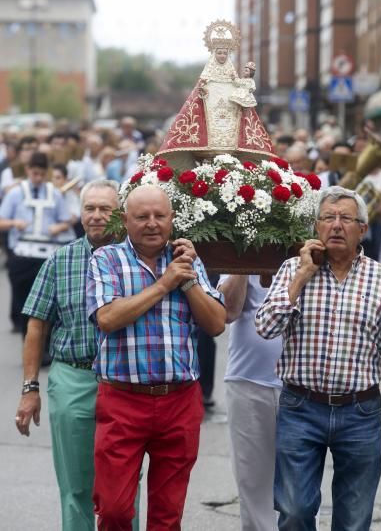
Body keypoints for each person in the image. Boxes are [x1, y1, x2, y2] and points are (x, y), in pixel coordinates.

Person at [256, 186, 381, 531]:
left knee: (353, 519)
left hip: (359, 413)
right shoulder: (293, 269)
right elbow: (265, 326)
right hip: (300, 407)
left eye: (345, 219)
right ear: (316, 228)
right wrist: (303, 276)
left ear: (362, 229)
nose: (336, 225)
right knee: (294, 510)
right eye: (328, 218)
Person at [86, 185, 226, 530]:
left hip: (179, 400)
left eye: (159, 216)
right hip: (122, 399)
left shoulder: (186, 261)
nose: (152, 224)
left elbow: (216, 324)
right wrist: (164, 284)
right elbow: (107, 318)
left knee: (167, 514)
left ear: (172, 219)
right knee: (115, 509)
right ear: (125, 220)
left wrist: (188, 280)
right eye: (142, 217)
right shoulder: (107, 259)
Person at [14, 179, 144, 531]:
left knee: (124, 487)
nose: (98, 216)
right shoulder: (60, 260)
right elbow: (36, 326)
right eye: (90, 209)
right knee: (76, 485)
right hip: (74, 377)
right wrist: (30, 388)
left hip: (127, 381)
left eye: (106, 209)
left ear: (121, 214)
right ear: (80, 213)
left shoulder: (139, 260)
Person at [156, 20, 273, 168]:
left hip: (230, 115)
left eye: (225, 53)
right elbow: (199, 92)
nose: (222, 56)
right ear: (214, 53)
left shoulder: (232, 74)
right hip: (210, 115)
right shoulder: (207, 74)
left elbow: (238, 87)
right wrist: (203, 92)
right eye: (219, 53)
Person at [218, 273, 282, 531]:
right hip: (247, 378)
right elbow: (228, 311)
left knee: (300, 487)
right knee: (252, 481)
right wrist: (244, 262)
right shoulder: (244, 246)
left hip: (302, 384)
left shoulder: (312, 249)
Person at [0, 151, 71, 336]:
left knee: (47, 303)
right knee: (24, 302)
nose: (38, 178)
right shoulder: (15, 193)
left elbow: (65, 220)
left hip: (47, 253)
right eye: (34, 173)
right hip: (21, 253)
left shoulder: (54, 194)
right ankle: (28, 341)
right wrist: (14, 223)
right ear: (27, 170)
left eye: (41, 173)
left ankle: (45, 347)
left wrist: (59, 227)